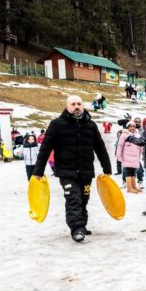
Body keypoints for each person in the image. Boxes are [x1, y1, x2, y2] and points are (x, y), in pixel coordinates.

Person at [32, 95, 113, 242]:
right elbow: (45, 148)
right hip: (66, 171)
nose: (76, 106)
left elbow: (100, 148)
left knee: (84, 198)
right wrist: (38, 171)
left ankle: (82, 225)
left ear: (83, 106)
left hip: (86, 171)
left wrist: (106, 168)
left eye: (79, 104)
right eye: (73, 104)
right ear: (67, 106)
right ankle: (76, 229)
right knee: (73, 198)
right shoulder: (56, 124)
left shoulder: (91, 125)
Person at [116, 123, 142, 194]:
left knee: (133, 171)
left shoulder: (137, 135)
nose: (132, 128)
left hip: (135, 156)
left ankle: (134, 187)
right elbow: (120, 145)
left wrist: (140, 151)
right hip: (127, 156)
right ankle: (129, 188)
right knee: (128, 171)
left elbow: (140, 144)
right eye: (130, 126)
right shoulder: (124, 135)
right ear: (127, 127)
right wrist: (118, 155)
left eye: (133, 126)